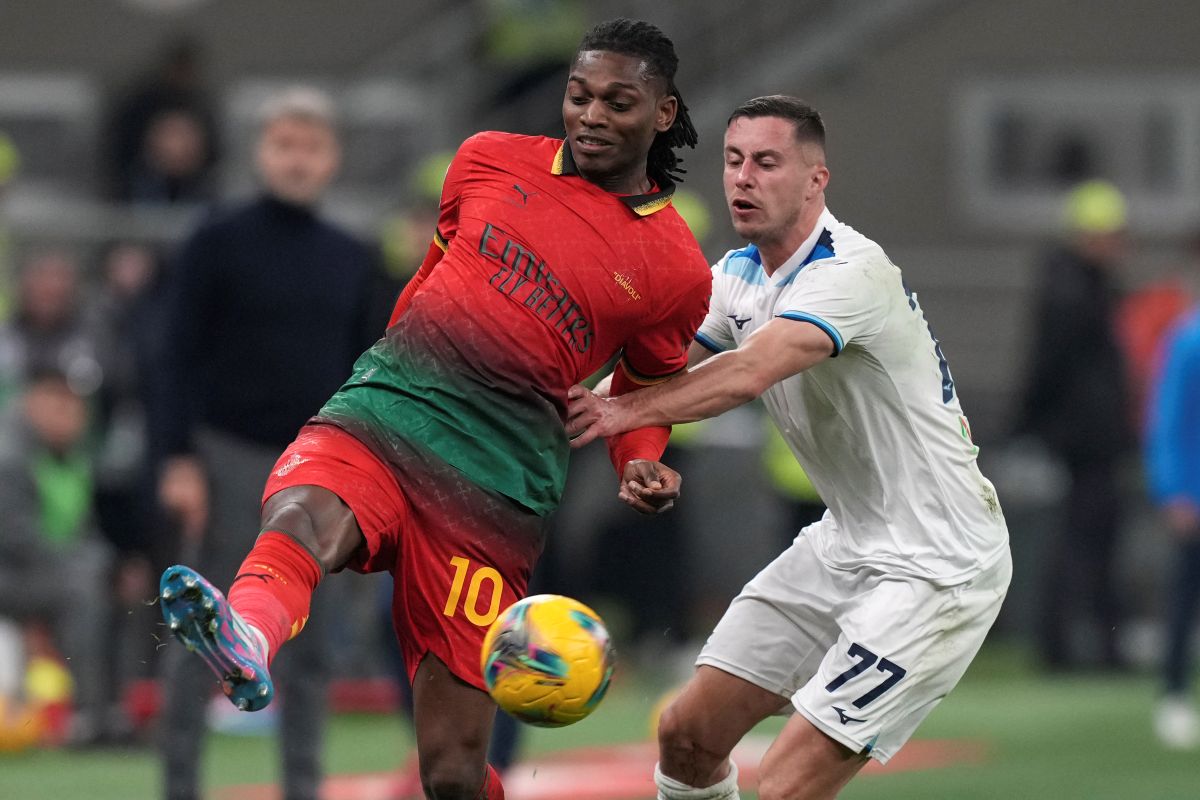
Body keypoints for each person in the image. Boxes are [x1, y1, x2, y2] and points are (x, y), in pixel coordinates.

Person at [158, 18, 711, 800]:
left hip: (494, 485)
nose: (591, 115)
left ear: (661, 113)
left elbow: (650, 389)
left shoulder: (674, 267)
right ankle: (248, 633)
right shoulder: (486, 159)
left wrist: (641, 458)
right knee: (302, 513)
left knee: (451, 769)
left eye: (618, 102)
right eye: (579, 95)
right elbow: (435, 267)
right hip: (392, 409)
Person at [567, 95, 1012, 800]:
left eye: (767, 162)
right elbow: (655, 365)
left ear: (815, 179)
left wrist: (616, 411)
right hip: (845, 543)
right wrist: (630, 444)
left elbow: (749, 370)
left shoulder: (851, 272)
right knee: (686, 735)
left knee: (784, 785)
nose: (744, 178)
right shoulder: (738, 275)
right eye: (734, 161)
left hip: (937, 564)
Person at [150, 87, 385, 800]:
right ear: (261, 152)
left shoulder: (353, 255)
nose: (297, 158)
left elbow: (371, 371)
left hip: (320, 468)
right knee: (207, 635)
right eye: (284, 144)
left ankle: (302, 789)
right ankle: (180, 787)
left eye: (311, 146)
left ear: (332, 158)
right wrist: (178, 458)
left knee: (311, 647)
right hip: (228, 458)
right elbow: (173, 355)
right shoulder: (215, 240)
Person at [1018, 179, 1135, 671]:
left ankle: (1080, 646)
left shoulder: (1080, 286)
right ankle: (1070, 648)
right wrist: (1028, 424)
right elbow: (1050, 366)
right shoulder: (1077, 293)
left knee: (1086, 539)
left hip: (1086, 437)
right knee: (1084, 541)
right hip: (1084, 439)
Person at [1146, 300, 1200, 750]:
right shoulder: (1188, 338)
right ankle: (1175, 696)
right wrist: (1174, 490)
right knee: (1184, 601)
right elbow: (1167, 420)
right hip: (1195, 498)